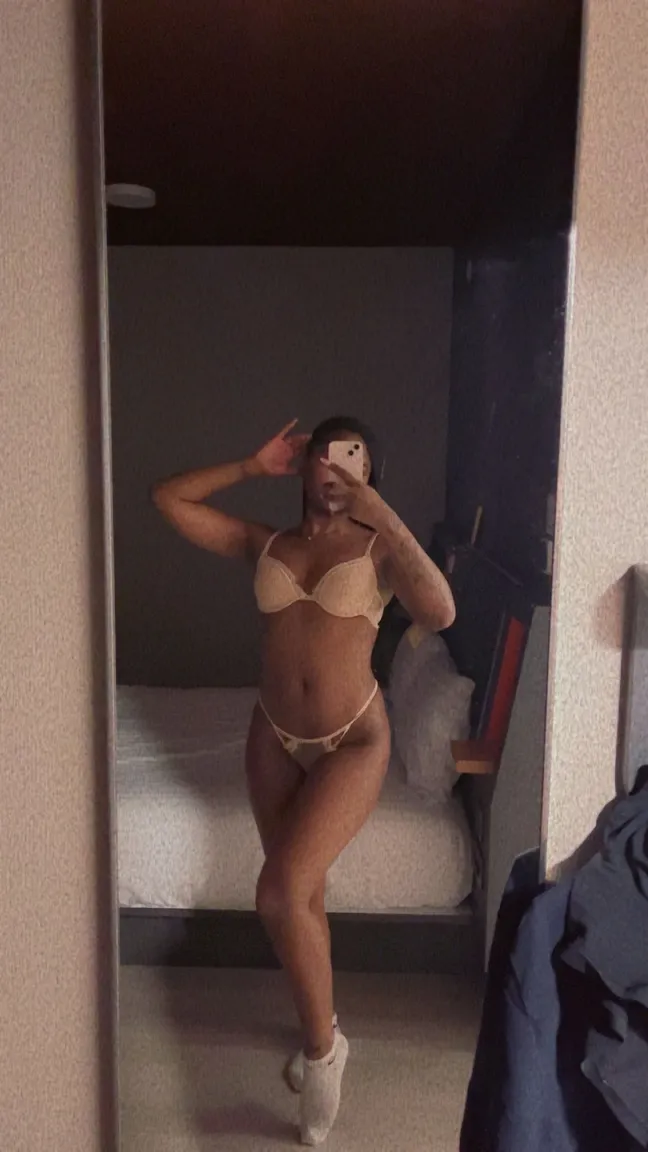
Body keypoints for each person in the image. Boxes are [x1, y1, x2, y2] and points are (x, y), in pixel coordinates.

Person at [152, 416, 456, 1145]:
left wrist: (379, 511)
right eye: (326, 453)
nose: (337, 466)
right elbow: (168, 500)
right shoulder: (268, 544)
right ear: (305, 466)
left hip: (355, 738)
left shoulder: (380, 550)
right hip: (273, 737)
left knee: (278, 892)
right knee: (302, 897)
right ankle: (325, 1027)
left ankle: (323, 1055)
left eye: (355, 458)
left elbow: (441, 611)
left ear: (369, 473)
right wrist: (250, 466)